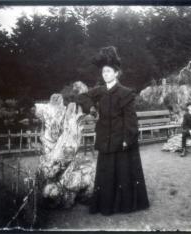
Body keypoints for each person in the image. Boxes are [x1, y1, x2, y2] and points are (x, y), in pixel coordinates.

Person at [73, 46, 149, 215]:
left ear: (116, 73)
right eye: (103, 72)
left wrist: (127, 139)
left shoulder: (126, 93)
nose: (105, 74)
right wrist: (92, 108)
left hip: (120, 140)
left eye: (108, 71)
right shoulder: (99, 91)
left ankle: (123, 205)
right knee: (106, 174)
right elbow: (82, 97)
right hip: (104, 140)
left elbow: (131, 120)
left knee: (122, 173)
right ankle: (106, 205)